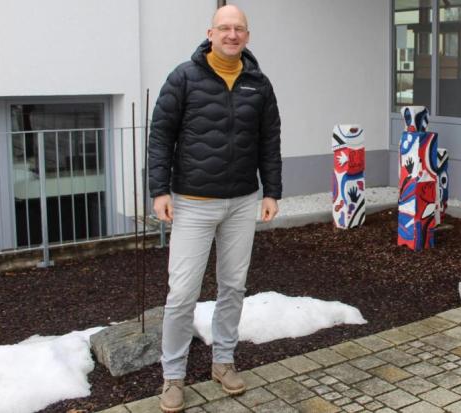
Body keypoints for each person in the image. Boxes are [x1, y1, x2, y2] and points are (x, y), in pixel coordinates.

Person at [147, 5, 281, 412]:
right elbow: (161, 136)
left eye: (239, 28)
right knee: (182, 294)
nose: (232, 34)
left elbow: (269, 140)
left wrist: (271, 192)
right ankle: (173, 376)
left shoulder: (258, 84)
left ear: (247, 36)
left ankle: (223, 362)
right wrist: (159, 190)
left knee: (233, 288)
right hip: (193, 203)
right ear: (210, 33)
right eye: (225, 28)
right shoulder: (184, 78)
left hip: (241, 202)